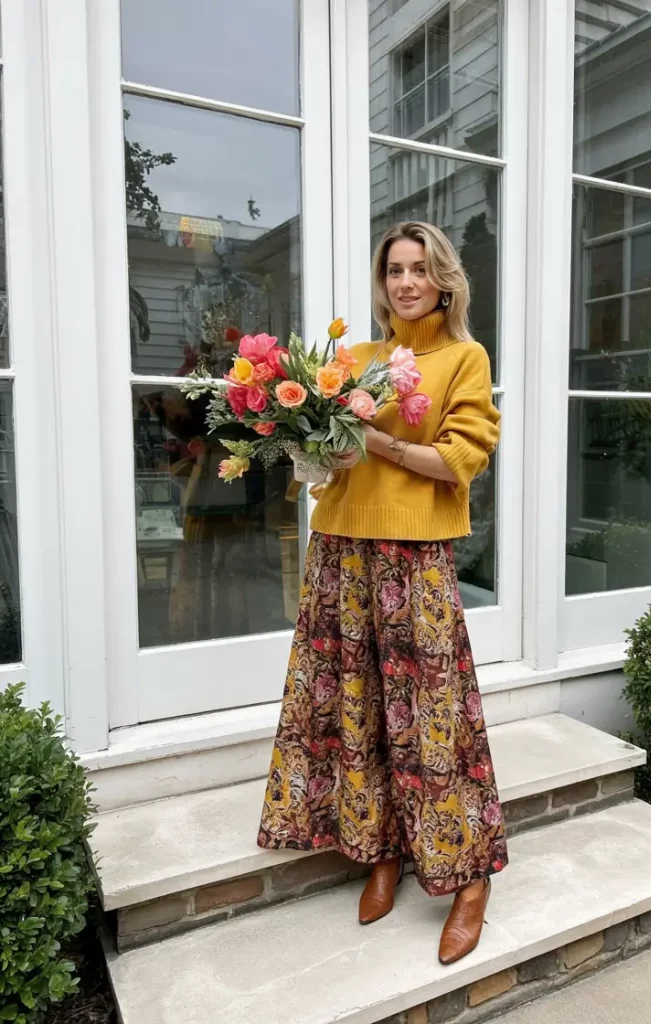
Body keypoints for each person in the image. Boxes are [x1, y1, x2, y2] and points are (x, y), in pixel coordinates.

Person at [257, 221, 507, 965]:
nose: (405, 282)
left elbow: (461, 457)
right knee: (358, 705)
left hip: (413, 556)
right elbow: (325, 463)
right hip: (339, 548)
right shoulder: (353, 360)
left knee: (434, 716)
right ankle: (383, 849)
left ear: (443, 281)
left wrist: (383, 441)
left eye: (419, 270)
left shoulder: (463, 357)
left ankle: (468, 877)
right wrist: (306, 443)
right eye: (394, 269)